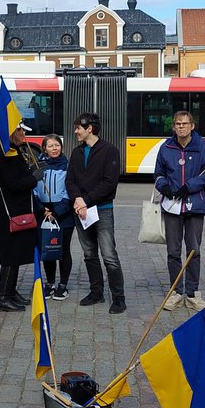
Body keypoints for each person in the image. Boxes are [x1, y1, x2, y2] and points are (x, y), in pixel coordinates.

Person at [154, 111, 205, 311]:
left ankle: (191, 293)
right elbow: (158, 173)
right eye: (178, 124)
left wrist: (190, 186)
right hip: (171, 206)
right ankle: (176, 292)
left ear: (192, 126)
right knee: (173, 252)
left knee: (193, 251)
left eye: (185, 123)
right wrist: (164, 186)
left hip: (194, 206)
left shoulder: (202, 146)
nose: (181, 127)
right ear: (173, 127)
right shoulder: (166, 147)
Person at [65, 113, 127, 314]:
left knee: (109, 255)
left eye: (78, 128)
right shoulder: (76, 152)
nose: (75, 131)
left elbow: (109, 183)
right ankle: (96, 292)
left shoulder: (110, 151)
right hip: (80, 211)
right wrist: (77, 200)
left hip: (101, 210)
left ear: (89, 128)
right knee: (89, 254)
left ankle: (118, 298)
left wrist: (85, 200)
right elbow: (70, 181)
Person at [0, 120, 42, 312]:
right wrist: (34, 179)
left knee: (17, 253)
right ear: (12, 133)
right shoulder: (5, 154)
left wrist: (33, 170)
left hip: (18, 208)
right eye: (20, 131)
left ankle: (11, 292)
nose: (24, 135)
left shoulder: (14, 151)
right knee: (10, 255)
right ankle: (3, 297)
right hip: (10, 211)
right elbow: (13, 184)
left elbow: (19, 175)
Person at [34, 133, 74, 300]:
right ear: (44, 148)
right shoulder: (38, 166)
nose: (54, 148)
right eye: (50, 146)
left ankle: (63, 285)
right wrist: (42, 209)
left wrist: (57, 211)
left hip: (63, 212)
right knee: (47, 247)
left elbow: (70, 190)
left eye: (57, 145)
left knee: (63, 249)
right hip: (43, 212)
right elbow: (33, 189)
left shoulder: (68, 166)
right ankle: (49, 283)